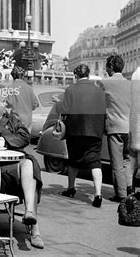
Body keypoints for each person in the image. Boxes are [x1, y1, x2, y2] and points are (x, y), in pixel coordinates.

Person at [0, 94, 44, 249]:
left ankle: (30, 215)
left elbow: (25, 137)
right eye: (3, 101)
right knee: (30, 172)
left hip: (16, 164)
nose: (7, 104)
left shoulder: (12, 118)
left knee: (30, 165)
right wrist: (9, 137)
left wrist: (5, 138)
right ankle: (34, 229)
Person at [56, 64, 106, 207]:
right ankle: (98, 194)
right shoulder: (99, 91)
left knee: (73, 159)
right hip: (95, 131)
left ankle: (71, 188)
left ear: (76, 76)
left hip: (75, 130)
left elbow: (65, 111)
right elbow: (104, 111)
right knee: (95, 161)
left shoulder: (70, 89)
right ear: (88, 75)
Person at [102, 55, 133, 201]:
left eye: (107, 66)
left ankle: (121, 195)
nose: (106, 69)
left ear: (111, 67)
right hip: (130, 127)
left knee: (117, 163)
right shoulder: (130, 84)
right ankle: (129, 190)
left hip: (115, 127)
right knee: (127, 159)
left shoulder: (104, 83)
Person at [6, 66, 39, 133]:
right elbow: (35, 104)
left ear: (12, 76)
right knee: (25, 139)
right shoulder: (29, 88)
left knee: (15, 140)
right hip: (27, 121)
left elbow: (8, 104)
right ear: (23, 76)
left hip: (16, 120)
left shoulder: (11, 88)